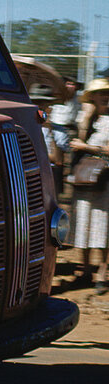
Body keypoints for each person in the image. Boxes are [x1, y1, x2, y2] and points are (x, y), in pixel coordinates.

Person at [68, 78, 109, 293]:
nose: (104, 96)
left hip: (105, 180)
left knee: (102, 225)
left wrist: (88, 147)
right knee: (83, 223)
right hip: (84, 179)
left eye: (106, 92)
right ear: (92, 96)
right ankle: (84, 271)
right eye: (100, 93)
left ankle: (101, 272)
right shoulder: (88, 120)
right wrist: (84, 123)